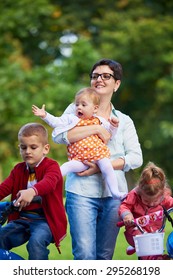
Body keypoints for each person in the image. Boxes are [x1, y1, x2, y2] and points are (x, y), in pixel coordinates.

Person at [44, 58, 143, 260]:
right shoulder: (75, 109)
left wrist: (100, 167)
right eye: (95, 76)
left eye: (106, 76)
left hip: (113, 197)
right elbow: (59, 135)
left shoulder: (123, 120)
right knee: (84, 255)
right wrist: (97, 128)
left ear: (116, 84)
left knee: (104, 257)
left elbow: (136, 157)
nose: (99, 79)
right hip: (81, 192)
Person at [32, 87, 127, 200]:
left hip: (98, 156)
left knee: (107, 167)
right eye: (77, 105)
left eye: (83, 105)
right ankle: (45, 183)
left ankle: (115, 192)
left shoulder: (100, 121)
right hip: (80, 159)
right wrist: (45, 115)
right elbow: (56, 122)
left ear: (95, 108)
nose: (79, 107)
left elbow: (110, 134)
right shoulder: (71, 118)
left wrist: (114, 125)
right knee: (66, 166)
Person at [0, 123, 67, 260]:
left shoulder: (52, 166)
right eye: (23, 147)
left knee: (36, 243)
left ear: (45, 148)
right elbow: (4, 189)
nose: (28, 151)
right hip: (22, 219)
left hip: (45, 220)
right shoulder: (18, 170)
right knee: (1, 237)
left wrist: (32, 191)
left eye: (33, 147)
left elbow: (49, 182)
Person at [118, 161, 173, 260]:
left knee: (154, 249)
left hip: (155, 233)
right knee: (147, 251)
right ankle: (154, 257)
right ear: (140, 191)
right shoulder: (134, 195)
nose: (151, 204)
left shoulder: (164, 197)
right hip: (136, 231)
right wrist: (127, 215)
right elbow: (124, 206)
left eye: (155, 200)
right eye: (146, 200)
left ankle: (154, 257)